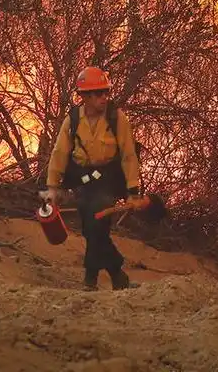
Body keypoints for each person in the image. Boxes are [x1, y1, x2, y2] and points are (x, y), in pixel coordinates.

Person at [45, 66, 145, 290]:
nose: (104, 97)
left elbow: (129, 155)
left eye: (106, 92)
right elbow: (59, 153)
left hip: (108, 180)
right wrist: (52, 187)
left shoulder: (116, 118)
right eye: (98, 93)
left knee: (96, 223)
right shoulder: (72, 120)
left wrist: (133, 191)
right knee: (91, 229)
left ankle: (90, 279)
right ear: (85, 96)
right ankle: (118, 276)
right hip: (83, 181)